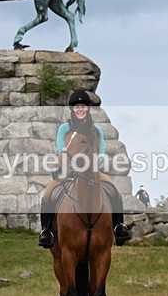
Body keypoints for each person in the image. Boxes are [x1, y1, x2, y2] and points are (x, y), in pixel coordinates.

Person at [38, 91, 131, 248]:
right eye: (77, 106)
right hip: (69, 170)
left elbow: (101, 152)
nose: (80, 109)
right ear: (72, 109)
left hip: (92, 169)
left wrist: (95, 163)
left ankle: (118, 227)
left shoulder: (97, 130)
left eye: (83, 106)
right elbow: (62, 149)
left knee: (114, 190)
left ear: (87, 108)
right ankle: (47, 231)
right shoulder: (64, 128)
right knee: (48, 193)